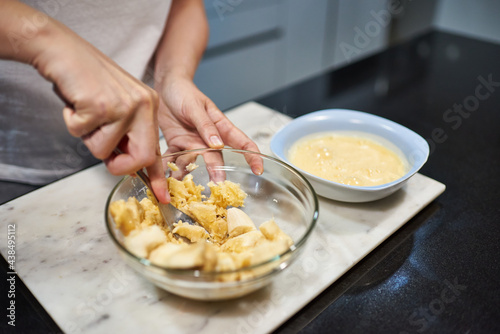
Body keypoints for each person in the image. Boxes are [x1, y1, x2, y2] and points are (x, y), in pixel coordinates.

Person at [0, 0, 263, 203]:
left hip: (138, 148)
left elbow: (185, 5)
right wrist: (46, 40)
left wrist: (171, 76)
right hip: (16, 167)